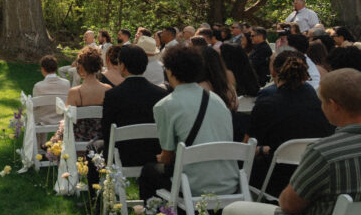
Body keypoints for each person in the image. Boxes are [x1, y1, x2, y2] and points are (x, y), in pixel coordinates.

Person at [223, 68, 361, 215]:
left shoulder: (324, 152)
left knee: (233, 213)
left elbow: (289, 205)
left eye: (322, 102)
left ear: (334, 105)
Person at [139, 45, 239, 201]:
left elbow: (167, 156)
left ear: (170, 71)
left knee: (148, 171)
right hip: (229, 182)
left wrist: (161, 158)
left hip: (192, 185)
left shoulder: (166, 105)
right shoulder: (217, 100)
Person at [246, 50, 334, 197]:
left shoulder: (267, 105)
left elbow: (247, 149)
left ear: (273, 70)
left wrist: (263, 150)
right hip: (313, 179)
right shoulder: (321, 105)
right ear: (305, 73)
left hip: (274, 183)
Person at [101, 45, 168, 169]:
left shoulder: (113, 95)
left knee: (94, 147)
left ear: (123, 66)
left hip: (122, 156)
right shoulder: (161, 94)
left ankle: (95, 188)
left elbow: (106, 132)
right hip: (153, 155)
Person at [50, 46, 107, 147]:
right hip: (102, 141)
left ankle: (52, 145)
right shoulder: (108, 89)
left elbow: (67, 120)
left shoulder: (75, 92)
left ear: (80, 68)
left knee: (62, 125)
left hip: (78, 141)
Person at [33, 55, 69, 125]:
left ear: (43, 69)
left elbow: (35, 107)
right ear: (56, 68)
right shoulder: (66, 84)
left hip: (42, 121)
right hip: (62, 119)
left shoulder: (38, 86)